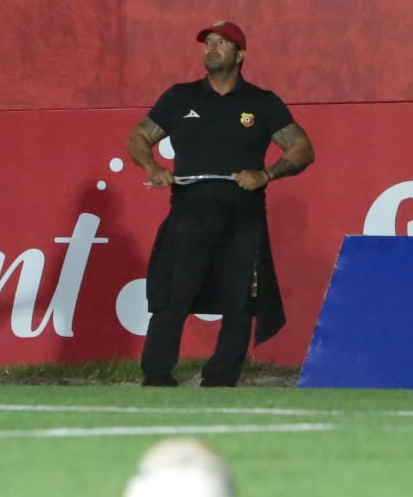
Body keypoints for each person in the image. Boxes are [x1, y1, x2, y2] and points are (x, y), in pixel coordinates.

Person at [126, 21, 314, 387]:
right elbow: (138, 136)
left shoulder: (261, 102)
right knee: (173, 296)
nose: (212, 48)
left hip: (243, 218)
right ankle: (157, 375)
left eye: (222, 43)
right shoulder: (180, 97)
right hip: (189, 215)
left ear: (240, 55)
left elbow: (302, 148)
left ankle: (220, 380)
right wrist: (152, 167)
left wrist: (266, 174)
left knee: (239, 301)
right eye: (208, 42)